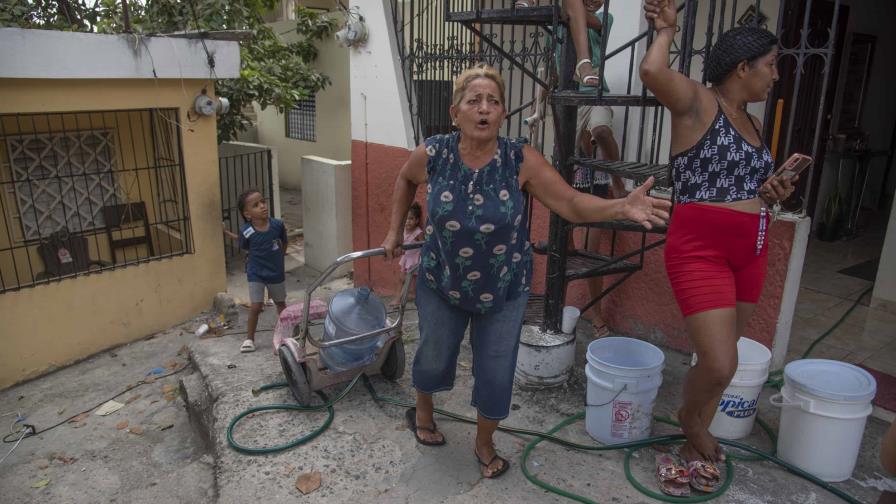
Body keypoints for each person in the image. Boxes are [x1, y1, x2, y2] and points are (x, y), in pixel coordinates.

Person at [381, 64, 670, 479]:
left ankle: (484, 443)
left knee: (496, 372)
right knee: (432, 355)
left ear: (503, 114)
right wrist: (394, 231)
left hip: (504, 289)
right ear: (455, 112)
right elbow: (404, 180)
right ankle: (423, 411)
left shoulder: (520, 159)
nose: (484, 109)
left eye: (493, 102)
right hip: (441, 282)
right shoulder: (434, 154)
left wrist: (619, 207)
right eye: (474, 101)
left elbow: (570, 203)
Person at [641, 0, 796, 484]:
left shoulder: (752, 122)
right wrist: (665, 30)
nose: (774, 77)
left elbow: (747, 189)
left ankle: (693, 445)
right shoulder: (697, 101)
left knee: (725, 363)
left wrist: (773, 191)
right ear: (743, 66)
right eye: (770, 66)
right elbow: (651, 70)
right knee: (719, 359)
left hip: (752, 249)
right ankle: (689, 418)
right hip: (699, 249)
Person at [223, 188, 288, 353]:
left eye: (263, 202)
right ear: (247, 213)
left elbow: (284, 242)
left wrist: (279, 258)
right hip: (256, 272)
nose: (263, 206)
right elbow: (246, 247)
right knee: (255, 307)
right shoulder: (246, 231)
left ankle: (285, 336)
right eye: (256, 205)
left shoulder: (277, 225)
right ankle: (249, 339)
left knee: (281, 304)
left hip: (275, 272)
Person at [515, 0, 604, 86]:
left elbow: (592, 21)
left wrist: (568, 9)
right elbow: (554, 72)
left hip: (593, 91)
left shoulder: (604, 17)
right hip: (566, 87)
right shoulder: (556, 29)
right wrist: (538, 99)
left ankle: (584, 62)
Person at [391, 202, 424, 306]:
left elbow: (423, 245)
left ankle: (403, 299)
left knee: (411, 281)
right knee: (401, 279)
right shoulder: (403, 231)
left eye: (411, 219)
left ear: (417, 220)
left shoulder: (418, 232)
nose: (407, 222)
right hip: (406, 259)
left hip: (414, 260)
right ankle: (400, 297)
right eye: (406, 218)